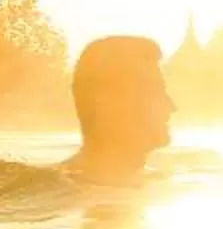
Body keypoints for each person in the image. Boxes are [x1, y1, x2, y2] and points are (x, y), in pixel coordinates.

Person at [62, 34, 174, 186]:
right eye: (155, 92)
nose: (171, 106)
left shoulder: (154, 180)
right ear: (106, 104)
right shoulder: (63, 186)